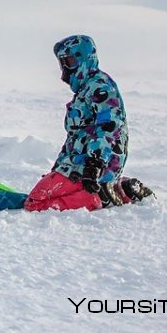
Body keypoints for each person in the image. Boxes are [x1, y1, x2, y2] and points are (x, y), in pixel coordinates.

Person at [24, 35, 153, 212]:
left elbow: (108, 127)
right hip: (78, 165)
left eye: (69, 61)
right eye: (63, 63)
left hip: (92, 166)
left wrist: (95, 164)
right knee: (43, 194)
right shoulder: (85, 90)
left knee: (35, 204)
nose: (65, 69)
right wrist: (58, 168)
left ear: (83, 59)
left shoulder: (101, 87)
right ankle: (120, 190)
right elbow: (75, 137)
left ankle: (97, 198)